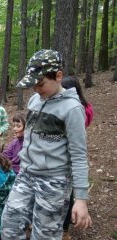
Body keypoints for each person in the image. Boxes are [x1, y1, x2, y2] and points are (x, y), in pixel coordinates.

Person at [0, 49, 93, 240]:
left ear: (58, 76)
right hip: (26, 174)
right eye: (33, 84)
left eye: (40, 83)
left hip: (54, 181)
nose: (36, 89)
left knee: (44, 235)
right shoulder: (35, 100)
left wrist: (81, 199)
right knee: (9, 226)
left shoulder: (73, 109)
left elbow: (78, 155)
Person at [61, 76, 94, 240]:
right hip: (71, 147)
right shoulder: (86, 106)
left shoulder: (77, 108)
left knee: (69, 193)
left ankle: (65, 229)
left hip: (70, 151)